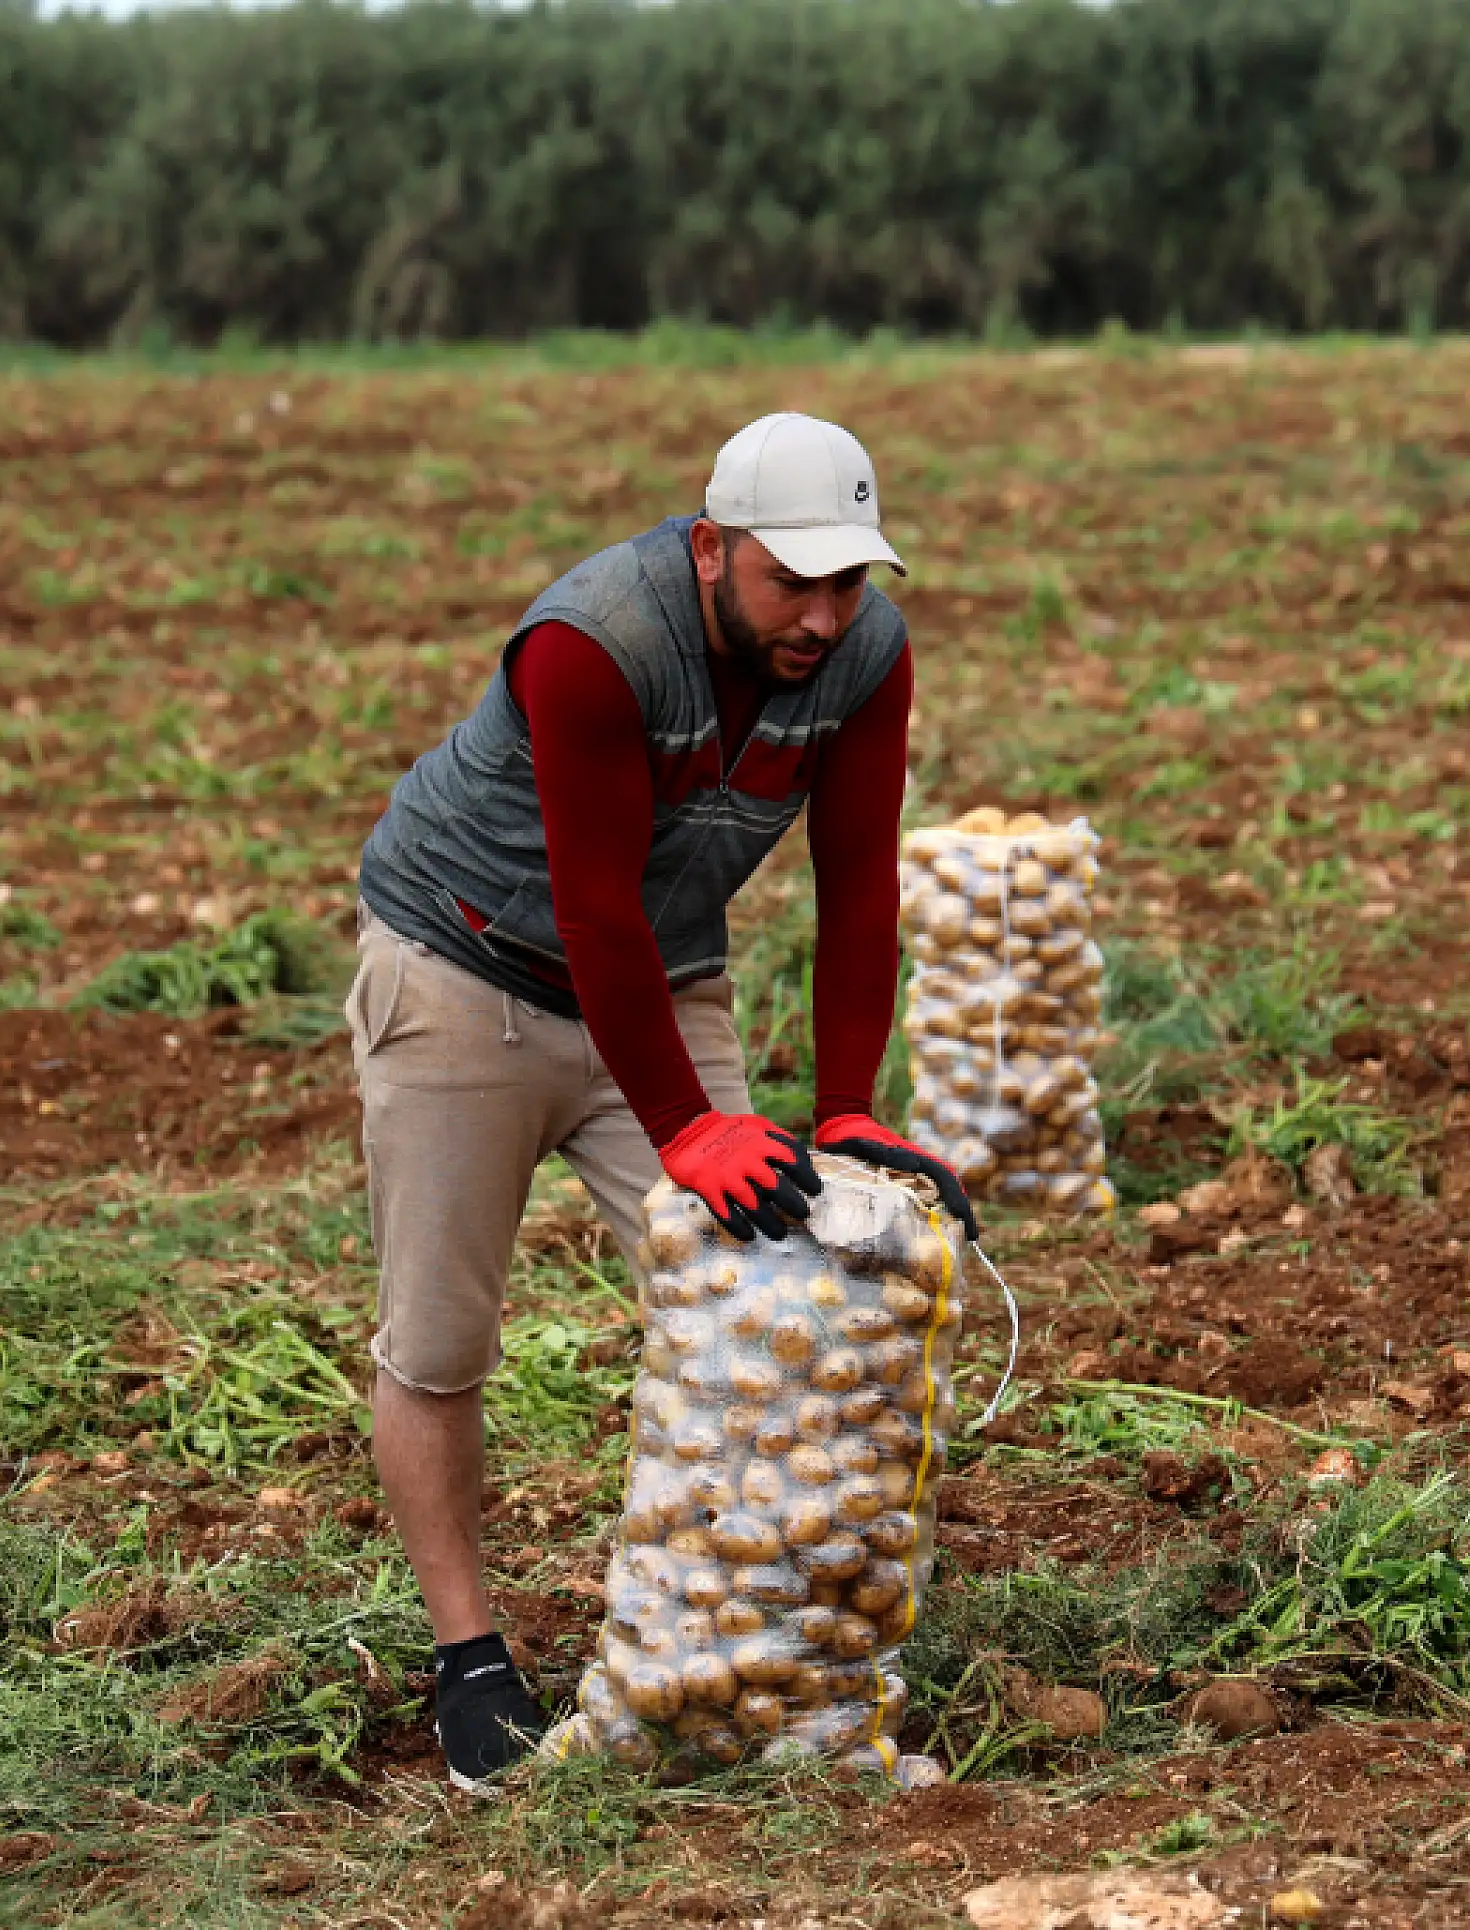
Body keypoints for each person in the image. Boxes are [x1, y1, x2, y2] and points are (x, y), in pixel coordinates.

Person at [347, 412, 977, 1793]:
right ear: (711, 548)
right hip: (465, 971)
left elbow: (854, 878)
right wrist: (689, 1124)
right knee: (442, 1335)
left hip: (665, 975)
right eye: (786, 582)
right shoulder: (592, 642)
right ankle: (469, 1661)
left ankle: (762, 1653)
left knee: (775, 1297)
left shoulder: (864, 656)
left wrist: (851, 1105)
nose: (819, 616)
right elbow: (588, 905)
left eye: (844, 581)